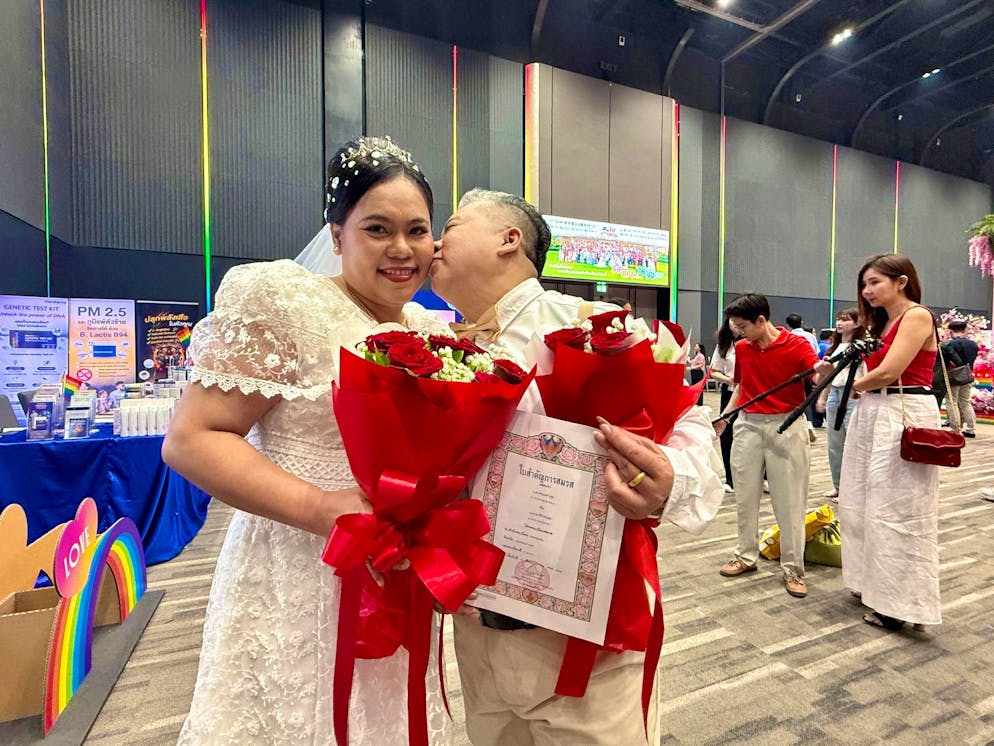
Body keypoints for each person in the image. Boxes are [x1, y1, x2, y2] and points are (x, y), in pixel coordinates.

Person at [162, 137, 454, 744]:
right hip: (299, 561)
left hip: (399, 571)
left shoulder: (432, 331)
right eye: (377, 228)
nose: (402, 249)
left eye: (417, 230)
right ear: (337, 234)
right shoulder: (284, 302)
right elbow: (191, 439)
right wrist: (320, 508)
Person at [430, 187, 723, 746]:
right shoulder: (435, 345)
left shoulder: (595, 327)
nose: (435, 241)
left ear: (509, 239)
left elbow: (690, 424)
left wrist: (668, 476)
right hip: (474, 625)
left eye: (452, 223)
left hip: (587, 639)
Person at [821, 253, 941, 631]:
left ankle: (901, 604)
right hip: (875, 411)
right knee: (860, 502)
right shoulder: (882, 322)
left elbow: (891, 371)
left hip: (902, 412)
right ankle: (871, 585)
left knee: (899, 509)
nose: (867, 290)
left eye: (874, 282)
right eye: (864, 284)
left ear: (902, 281)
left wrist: (843, 383)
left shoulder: (917, 316)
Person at [713, 294, 819, 599]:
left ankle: (793, 569)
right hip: (748, 423)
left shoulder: (798, 345)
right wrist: (726, 418)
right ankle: (745, 555)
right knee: (745, 495)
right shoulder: (744, 348)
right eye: (734, 326)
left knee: (789, 501)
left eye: (742, 325)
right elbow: (742, 385)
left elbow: (815, 375)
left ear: (761, 320)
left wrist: (825, 374)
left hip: (787, 424)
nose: (737, 332)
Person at [817, 307, 865, 500]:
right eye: (838, 319)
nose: (840, 323)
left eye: (845, 320)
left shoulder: (861, 346)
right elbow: (829, 376)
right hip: (835, 394)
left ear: (857, 323)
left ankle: (853, 489)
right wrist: (822, 397)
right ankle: (838, 484)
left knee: (852, 443)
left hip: (854, 394)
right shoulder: (834, 346)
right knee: (834, 443)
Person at [709, 320, 738, 493]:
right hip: (729, 392)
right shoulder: (724, 345)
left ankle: (761, 478)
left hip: (751, 394)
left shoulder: (752, 341)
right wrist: (728, 379)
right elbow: (713, 371)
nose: (736, 326)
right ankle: (730, 478)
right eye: (733, 322)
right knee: (727, 435)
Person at [942, 318, 978, 438]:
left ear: (951, 331)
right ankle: (971, 428)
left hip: (954, 376)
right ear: (965, 330)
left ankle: (955, 429)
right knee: (965, 402)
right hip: (968, 376)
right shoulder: (973, 344)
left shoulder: (950, 344)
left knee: (951, 401)